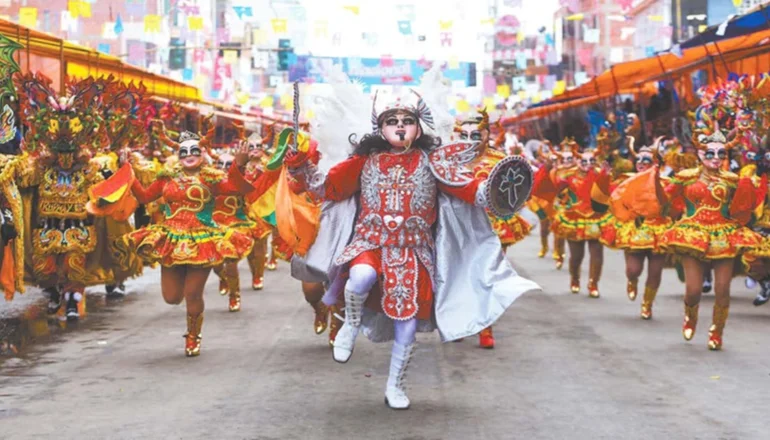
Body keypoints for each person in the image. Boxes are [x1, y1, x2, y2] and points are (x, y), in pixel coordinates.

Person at [286, 84, 539, 409]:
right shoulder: (364, 161)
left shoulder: (434, 161)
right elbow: (327, 188)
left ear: (419, 127)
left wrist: (501, 191)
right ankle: (349, 322)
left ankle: (396, 384)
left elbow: (470, 190)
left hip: (414, 253)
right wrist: (300, 167)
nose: (400, 126)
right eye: (393, 120)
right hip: (370, 243)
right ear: (380, 127)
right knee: (360, 277)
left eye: (408, 120)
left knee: (407, 324)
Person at [106, 131, 264, 356]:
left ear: (202, 154)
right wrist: (127, 170)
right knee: (171, 297)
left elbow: (238, 189)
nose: (189, 155)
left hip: (203, 240)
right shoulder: (167, 177)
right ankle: (205, 300)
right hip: (171, 240)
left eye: (194, 151)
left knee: (193, 293)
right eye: (184, 152)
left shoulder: (212, 177)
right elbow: (142, 197)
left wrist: (238, 166)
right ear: (178, 156)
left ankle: (193, 336)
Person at [659, 110, 761, 350]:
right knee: (693, 289)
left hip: (723, 235)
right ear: (699, 153)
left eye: (721, 153)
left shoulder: (732, 180)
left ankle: (716, 331)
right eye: (710, 153)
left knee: (722, 288)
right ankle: (690, 315)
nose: (715, 158)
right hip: (692, 234)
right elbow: (666, 201)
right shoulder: (685, 176)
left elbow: (745, 205)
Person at [457, 110, 531, 349]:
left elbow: (517, 194)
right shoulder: (450, 161)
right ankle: (459, 320)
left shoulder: (500, 161)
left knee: (487, 276)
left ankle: (484, 327)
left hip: (494, 227)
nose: (470, 140)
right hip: (460, 226)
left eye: (476, 134)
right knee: (460, 276)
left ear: (487, 134)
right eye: (464, 135)